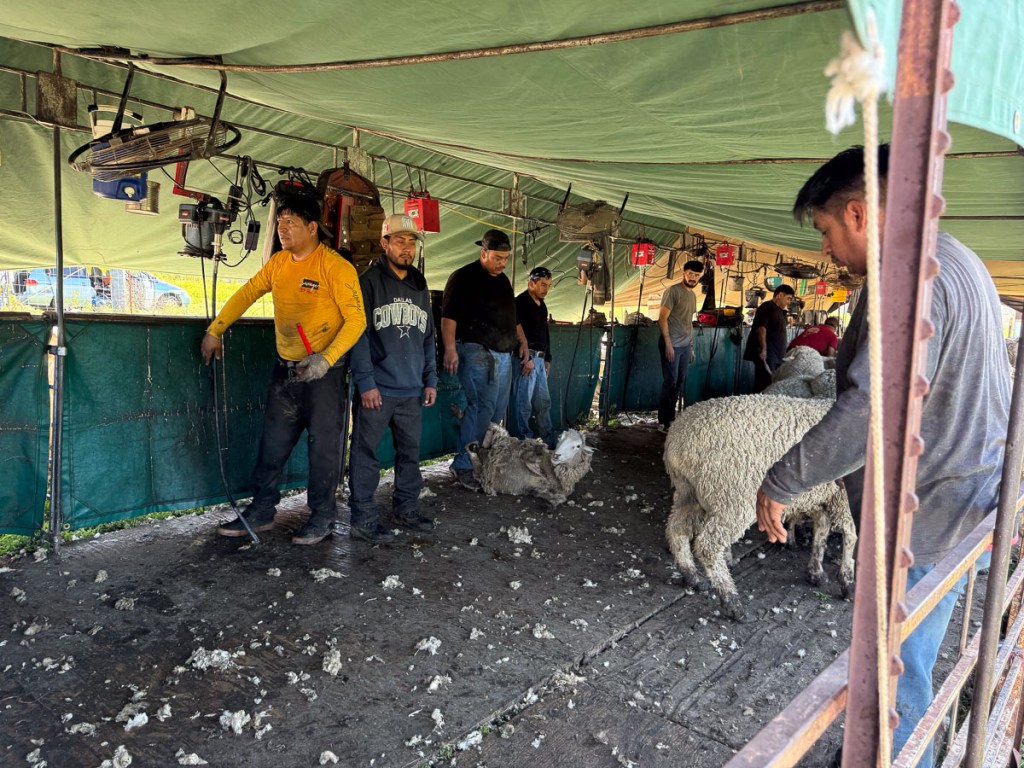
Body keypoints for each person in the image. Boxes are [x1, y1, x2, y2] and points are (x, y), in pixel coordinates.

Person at [754, 145, 1010, 766]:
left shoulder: (907, 282)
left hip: (924, 518)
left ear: (860, 215)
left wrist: (782, 480)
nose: (824, 250)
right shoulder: (957, 258)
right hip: (966, 500)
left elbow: (870, 409)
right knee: (908, 665)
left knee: (898, 680)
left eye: (824, 231)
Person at [200, 192, 367, 545]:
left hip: (325, 375)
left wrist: (326, 358)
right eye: (279, 222)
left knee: (323, 449)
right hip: (286, 371)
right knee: (272, 444)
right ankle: (262, 510)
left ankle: (322, 517)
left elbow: (357, 320)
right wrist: (216, 330)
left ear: (312, 227)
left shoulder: (335, 266)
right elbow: (247, 293)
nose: (282, 228)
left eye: (291, 222)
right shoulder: (278, 264)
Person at [347, 214, 438, 545]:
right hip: (379, 389)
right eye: (400, 241)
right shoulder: (368, 281)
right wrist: (366, 382)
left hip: (412, 388)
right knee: (365, 453)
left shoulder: (420, 284)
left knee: (410, 454)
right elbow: (358, 335)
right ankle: (363, 517)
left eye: (412, 242)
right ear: (384, 243)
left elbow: (428, 337)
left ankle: (405, 507)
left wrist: (430, 379)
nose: (407, 248)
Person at [441, 228, 529, 490]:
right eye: (498, 258)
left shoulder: (502, 280)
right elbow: (449, 317)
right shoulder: (463, 277)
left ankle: (482, 460)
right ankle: (463, 465)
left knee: (496, 409)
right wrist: (449, 348)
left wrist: (522, 341)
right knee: (481, 405)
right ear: (484, 253)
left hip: (504, 354)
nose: (503, 263)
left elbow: (513, 317)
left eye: (506, 258)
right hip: (475, 350)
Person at [511, 266, 556, 447]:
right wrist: (526, 359)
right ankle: (524, 441)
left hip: (539, 358)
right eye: (542, 285)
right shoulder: (520, 302)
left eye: (548, 285)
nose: (545, 289)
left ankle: (549, 438)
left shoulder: (542, 305)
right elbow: (514, 330)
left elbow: (545, 332)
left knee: (544, 402)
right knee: (524, 404)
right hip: (525, 359)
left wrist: (547, 358)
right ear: (531, 283)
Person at [657, 259, 703, 429]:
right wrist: (668, 343)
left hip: (684, 345)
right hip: (672, 344)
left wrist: (691, 346)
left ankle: (671, 418)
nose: (693, 278)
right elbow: (662, 318)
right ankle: (663, 421)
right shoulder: (673, 291)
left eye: (696, 275)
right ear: (684, 273)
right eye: (690, 274)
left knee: (680, 381)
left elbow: (688, 321)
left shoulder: (692, 295)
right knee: (670, 381)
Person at [743, 284, 795, 392]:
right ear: (780, 295)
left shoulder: (780, 311)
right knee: (764, 384)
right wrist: (764, 349)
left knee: (772, 384)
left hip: (777, 355)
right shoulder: (767, 307)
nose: (789, 302)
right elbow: (761, 328)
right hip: (768, 354)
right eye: (788, 298)